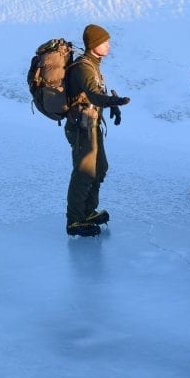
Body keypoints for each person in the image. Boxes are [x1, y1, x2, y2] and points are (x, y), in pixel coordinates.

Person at [63, 24, 131, 237]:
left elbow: (93, 94)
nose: (108, 45)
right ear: (93, 45)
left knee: (100, 168)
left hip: (91, 125)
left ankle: (88, 212)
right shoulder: (84, 67)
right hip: (81, 128)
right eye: (104, 42)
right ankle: (74, 220)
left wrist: (113, 107)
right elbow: (93, 95)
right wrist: (114, 101)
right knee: (84, 172)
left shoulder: (93, 64)